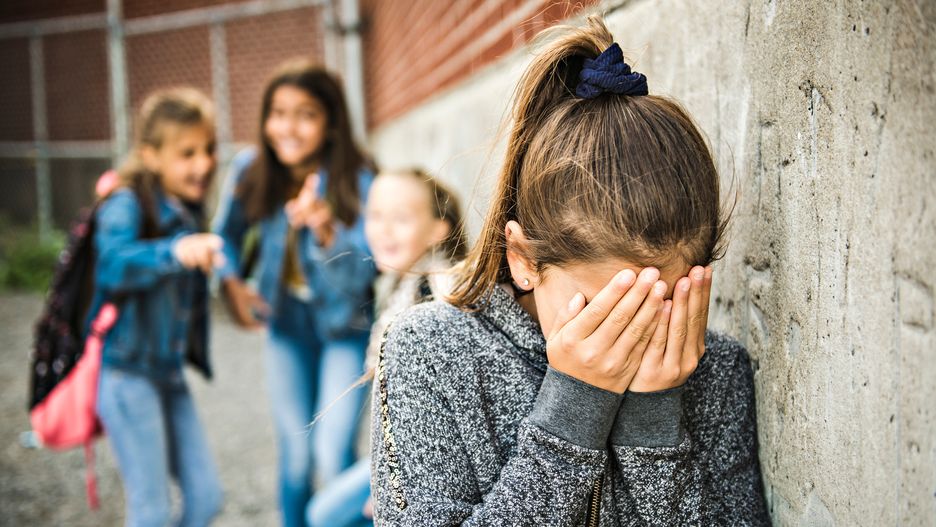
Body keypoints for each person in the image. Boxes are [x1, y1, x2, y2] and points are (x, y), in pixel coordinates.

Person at [370, 17, 770, 525]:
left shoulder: (715, 372)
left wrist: (654, 418)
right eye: (609, 311)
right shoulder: (430, 352)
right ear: (523, 260)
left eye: (662, 303)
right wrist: (573, 411)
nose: (635, 333)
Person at [212, 59, 376, 527]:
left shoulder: (357, 178)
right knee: (297, 457)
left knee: (332, 450)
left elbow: (361, 277)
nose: (288, 127)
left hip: (346, 326)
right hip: (286, 328)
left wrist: (326, 231)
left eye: (305, 114)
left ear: (329, 124)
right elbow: (223, 235)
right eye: (278, 113)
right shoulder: (250, 169)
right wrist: (231, 284)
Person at [306, 169, 467, 527]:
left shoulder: (437, 292)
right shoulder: (398, 284)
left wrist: (393, 489)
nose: (384, 229)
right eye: (375, 216)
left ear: (437, 230)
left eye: (401, 219)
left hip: (427, 462)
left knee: (326, 516)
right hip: (400, 451)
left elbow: (439, 407)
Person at [93, 88, 224, 527]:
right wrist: (175, 251)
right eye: (187, 153)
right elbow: (111, 265)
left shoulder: (186, 209)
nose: (203, 163)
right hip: (127, 376)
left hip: (167, 374)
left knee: (206, 498)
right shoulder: (126, 203)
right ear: (150, 156)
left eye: (208, 150)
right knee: (150, 510)